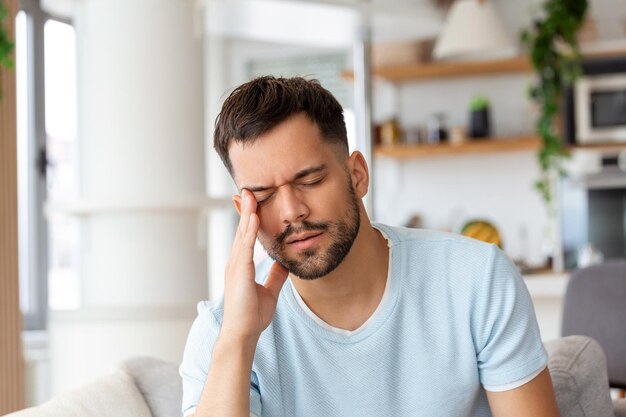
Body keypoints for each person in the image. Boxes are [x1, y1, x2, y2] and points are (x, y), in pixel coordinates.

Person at [179, 76, 560, 417]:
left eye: (310, 180)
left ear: (357, 174)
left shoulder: (476, 280)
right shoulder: (221, 331)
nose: (291, 212)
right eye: (262, 197)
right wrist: (238, 340)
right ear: (243, 211)